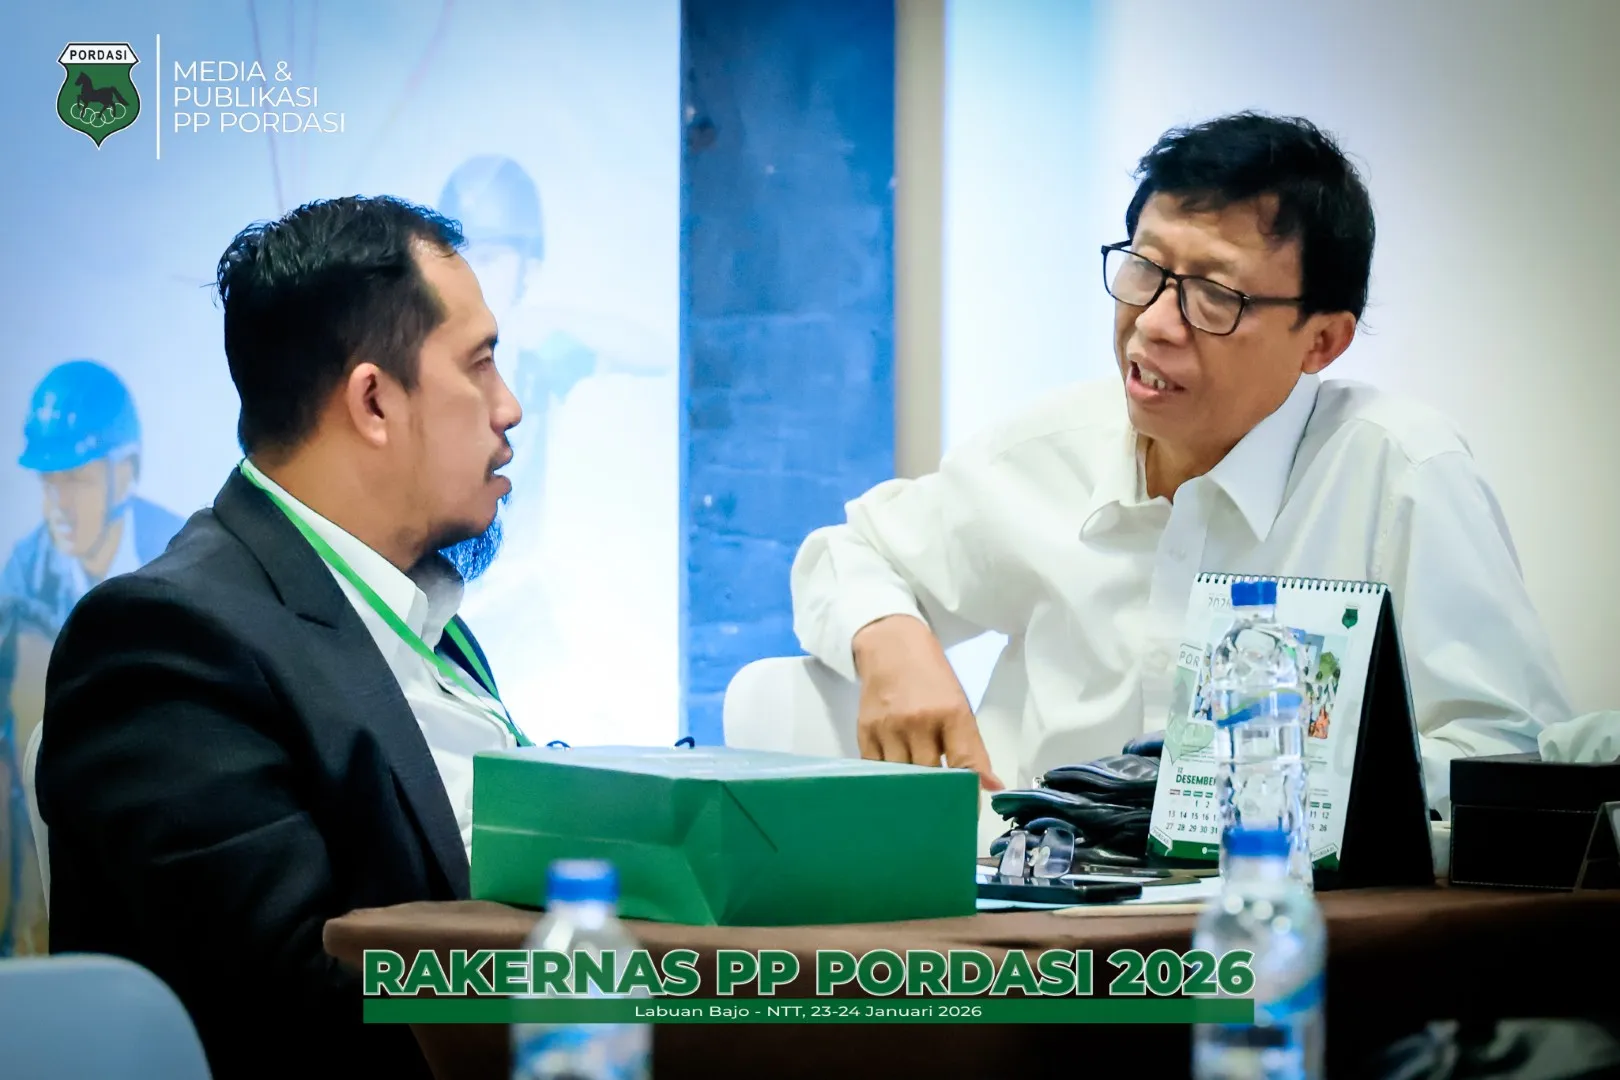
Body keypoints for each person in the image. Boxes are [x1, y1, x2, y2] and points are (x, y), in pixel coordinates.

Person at [790, 111, 1573, 847]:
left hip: (1285, 913)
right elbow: (847, 554)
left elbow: (1505, 757)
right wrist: (892, 641)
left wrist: (1305, 785)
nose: (1155, 323)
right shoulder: (1046, 450)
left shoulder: (1398, 474)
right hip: (1032, 899)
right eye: (1144, 269)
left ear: (1322, 342)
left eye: (1214, 296)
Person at [36, 195, 524, 1079]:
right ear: (374, 401)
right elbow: (293, 1009)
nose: (510, 408)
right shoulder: (167, 644)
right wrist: (596, 1000)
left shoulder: (424, 615)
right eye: (480, 365)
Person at [1, 360, 185, 957]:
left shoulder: (186, 557)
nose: (56, 502)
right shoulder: (23, 575)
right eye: (47, 482)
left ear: (124, 473)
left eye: (75, 479)